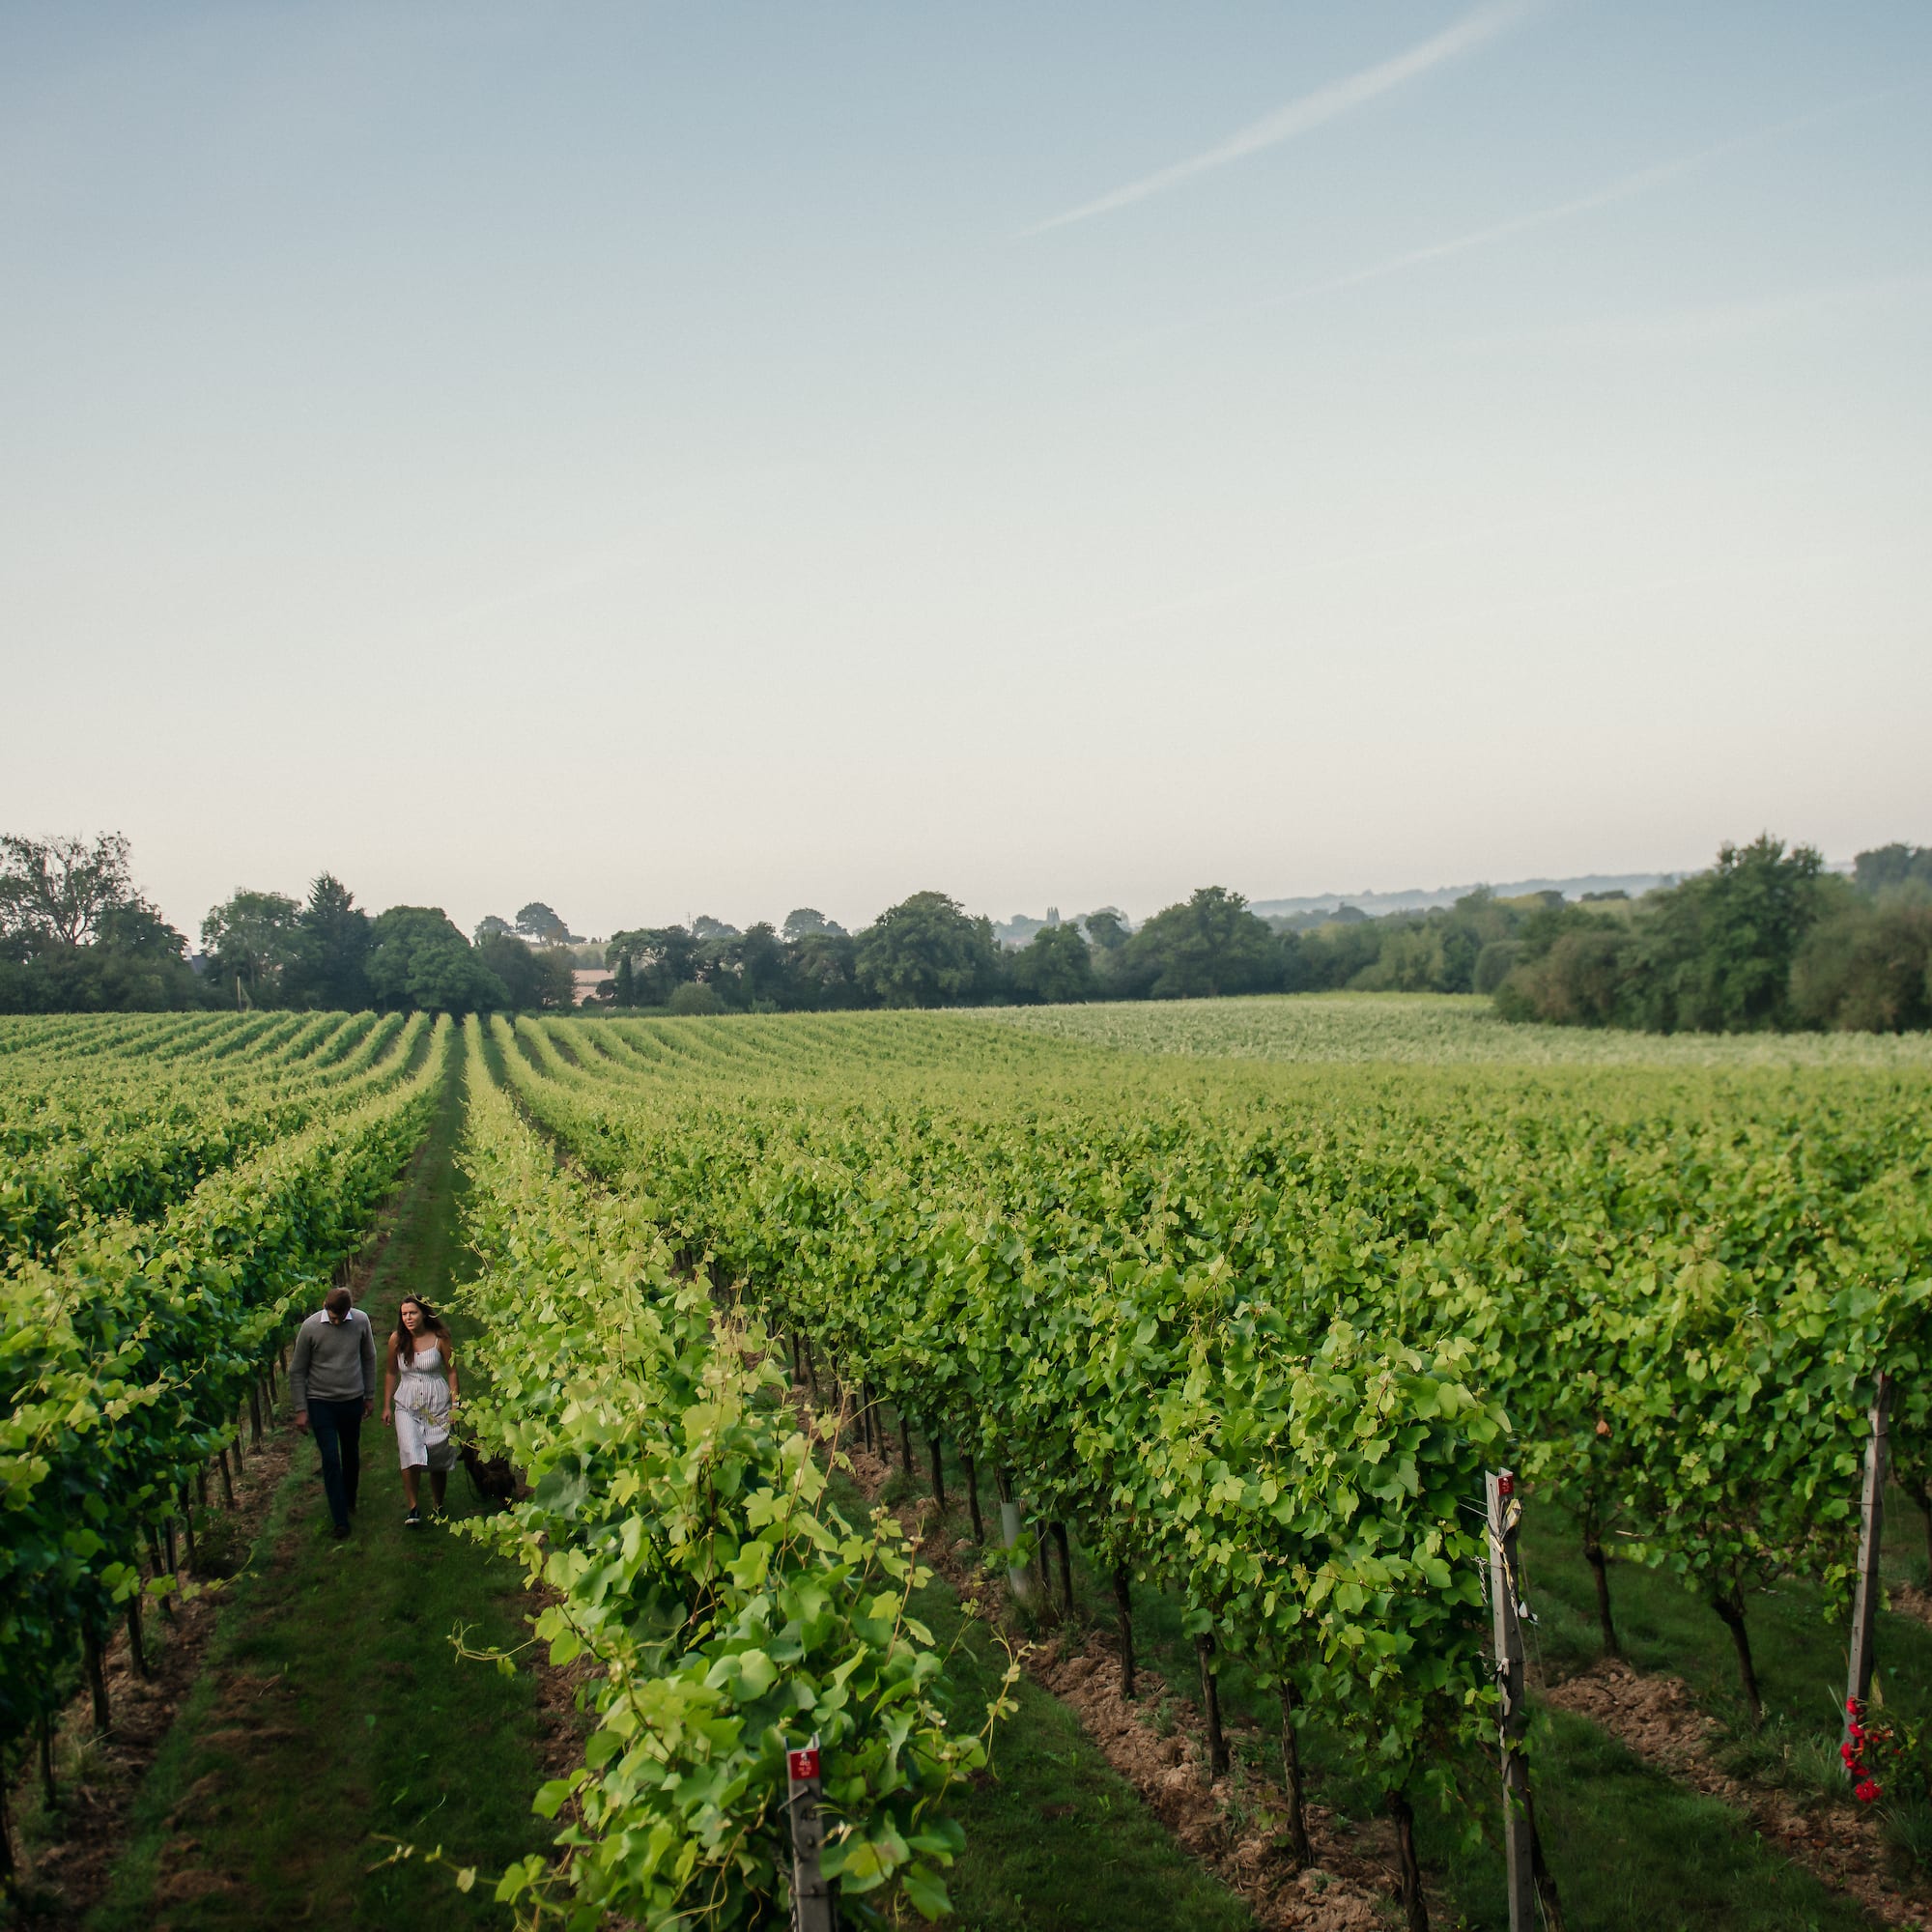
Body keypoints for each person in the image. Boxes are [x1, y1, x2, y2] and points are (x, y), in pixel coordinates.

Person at [290, 1284, 377, 1539]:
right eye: (333, 1317)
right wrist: (301, 1409)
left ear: (349, 1310)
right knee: (330, 1458)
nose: (337, 1323)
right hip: (321, 1402)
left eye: (341, 1318)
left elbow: (369, 1358)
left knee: (351, 1454)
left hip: (351, 1399)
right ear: (325, 1307)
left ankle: (349, 1498)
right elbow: (297, 1370)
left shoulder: (360, 1321)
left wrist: (369, 1395)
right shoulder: (310, 1327)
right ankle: (340, 1520)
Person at [383, 1294, 459, 1527]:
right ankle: (413, 1507)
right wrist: (386, 1405)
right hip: (407, 1403)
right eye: (404, 1314)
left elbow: (452, 1371)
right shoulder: (397, 1340)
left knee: (437, 1453)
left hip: (436, 1402)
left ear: (424, 1313)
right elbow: (390, 1373)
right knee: (410, 1450)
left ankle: (438, 1504)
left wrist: (455, 1405)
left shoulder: (440, 1338)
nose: (408, 1318)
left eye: (412, 1313)